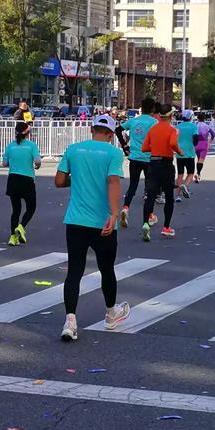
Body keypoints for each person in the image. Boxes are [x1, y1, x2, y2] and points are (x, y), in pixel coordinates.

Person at [55, 112, 131, 341]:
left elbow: (59, 181)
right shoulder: (114, 153)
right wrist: (114, 214)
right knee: (107, 269)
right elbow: (113, 181)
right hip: (102, 222)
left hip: (76, 220)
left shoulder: (73, 150)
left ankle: (70, 321)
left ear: (92, 129)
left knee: (74, 272)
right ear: (110, 134)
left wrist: (75, 178)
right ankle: (110, 313)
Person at [140, 105, 180, 239]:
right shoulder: (172, 130)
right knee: (169, 196)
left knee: (150, 195)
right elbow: (173, 143)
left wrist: (156, 146)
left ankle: (146, 223)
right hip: (166, 164)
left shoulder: (153, 129)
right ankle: (166, 227)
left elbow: (144, 148)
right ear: (171, 116)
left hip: (153, 164)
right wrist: (179, 151)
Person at [119, 96, 156, 228]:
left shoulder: (134, 121)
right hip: (149, 158)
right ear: (152, 108)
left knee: (132, 186)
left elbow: (118, 130)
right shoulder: (154, 122)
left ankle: (125, 207)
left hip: (134, 157)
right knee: (150, 188)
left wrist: (124, 145)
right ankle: (149, 216)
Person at [2, 120, 41, 245]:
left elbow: (4, 163)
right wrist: (37, 166)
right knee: (31, 207)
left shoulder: (10, 146)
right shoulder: (31, 146)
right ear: (27, 133)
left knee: (16, 210)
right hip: (27, 179)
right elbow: (37, 161)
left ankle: (13, 237)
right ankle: (21, 226)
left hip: (13, 179)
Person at [176, 110, 200, 198]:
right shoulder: (194, 126)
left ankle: (177, 196)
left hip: (179, 152)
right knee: (190, 173)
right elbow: (196, 137)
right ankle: (185, 185)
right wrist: (194, 144)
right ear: (191, 117)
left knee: (180, 174)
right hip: (189, 152)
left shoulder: (178, 126)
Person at [195, 112, 214, 181]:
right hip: (204, 143)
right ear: (204, 119)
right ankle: (198, 173)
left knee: (198, 158)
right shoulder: (207, 126)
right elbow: (213, 134)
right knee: (201, 160)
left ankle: (198, 173)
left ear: (198, 119)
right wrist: (210, 142)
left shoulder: (195, 125)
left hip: (196, 144)